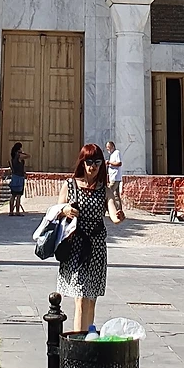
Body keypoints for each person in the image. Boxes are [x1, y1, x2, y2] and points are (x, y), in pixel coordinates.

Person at [56, 143, 119, 335]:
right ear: (82, 162)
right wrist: (65, 209)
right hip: (76, 246)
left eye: (97, 162)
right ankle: (78, 339)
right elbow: (56, 211)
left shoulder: (104, 190)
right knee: (81, 296)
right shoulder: (70, 185)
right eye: (89, 162)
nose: (93, 166)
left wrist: (119, 216)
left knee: (91, 298)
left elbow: (114, 214)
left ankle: (89, 336)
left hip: (97, 247)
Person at [105, 140, 124, 214]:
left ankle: (105, 209)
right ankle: (119, 210)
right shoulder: (112, 155)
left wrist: (109, 162)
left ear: (112, 146)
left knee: (108, 192)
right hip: (112, 177)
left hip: (115, 177)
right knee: (116, 195)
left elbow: (119, 163)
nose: (107, 149)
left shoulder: (117, 153)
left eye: (108, 147)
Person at [8, 142, 27, 216]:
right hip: (19, 177)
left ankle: (11, 211)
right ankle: (17, 211)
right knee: (18, 195)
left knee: (13, 195)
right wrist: (22, 153)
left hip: (14, 176)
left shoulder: (13, 157)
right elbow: (28, 156)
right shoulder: (19, 156)